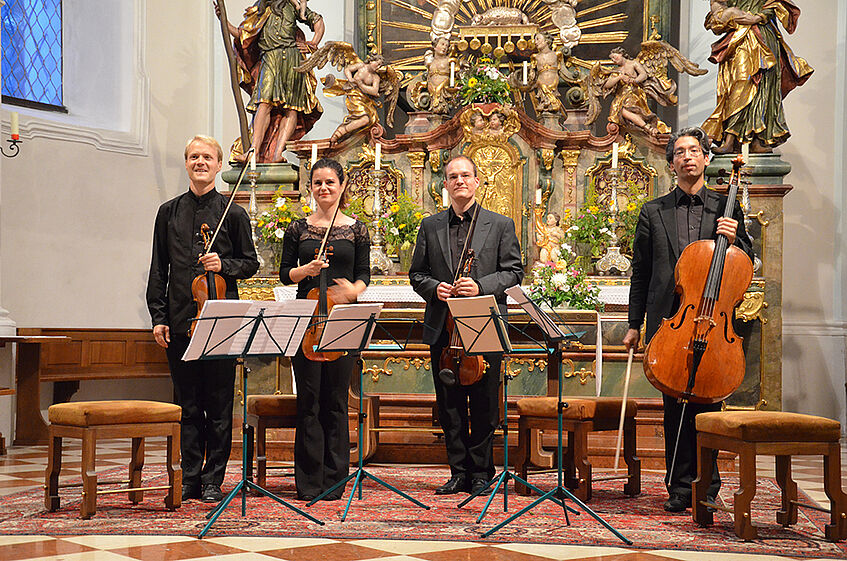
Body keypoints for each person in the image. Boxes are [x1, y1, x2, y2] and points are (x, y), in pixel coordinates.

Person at [623, 127, 753, 512]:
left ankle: (707, 487)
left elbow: (746, 261)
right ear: (671, 163)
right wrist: (634, 324)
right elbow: (641, 273)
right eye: (679, 152)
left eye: (694, 150)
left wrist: (737, 238)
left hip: (714, 323)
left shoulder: (724, 207)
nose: (687, 157)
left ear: (706, 159)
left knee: (708, 407)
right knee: (674, 406)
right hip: (671, 322)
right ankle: (679, 487)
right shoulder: (653, 211)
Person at [146, 135, 260, 503]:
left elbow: (251, 263)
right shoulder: (168, 212)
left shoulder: (233, 212)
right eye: (194, 156)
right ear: (186, 163)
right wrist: (158, 316)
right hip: (180, 320)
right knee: (188, 405)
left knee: (219, 406)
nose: (200, 162)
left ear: (218, 164)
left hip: (222, 323)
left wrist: (223, 264)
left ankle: (214, 479)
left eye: (207, 157)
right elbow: (158, 269)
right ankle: (190, 476)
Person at [409, 155, 524, 495]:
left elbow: (514, 271)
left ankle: (482, 473)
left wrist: (482, 286)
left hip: (483, 322)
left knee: (486, 404)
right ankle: (458, 471)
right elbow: (417, 274)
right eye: (452, 176)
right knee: (449, 403)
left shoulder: (500, 224)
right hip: (444, 328)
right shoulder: (431, 226)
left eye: (465, 175)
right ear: (444, 185)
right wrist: (435, 289)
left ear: (477, 181)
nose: (459, 181)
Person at [278, 158, 370, 501]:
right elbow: (284, 273)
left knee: (335, 401)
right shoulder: (298, 229)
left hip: (342, 319)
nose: (324, 188)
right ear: (311, 188)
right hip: (306, 321)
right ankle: (308, 481)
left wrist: (354, 291)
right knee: (309, 401)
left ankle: (334, 481)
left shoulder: (357, 229)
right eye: (317, 182)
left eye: (330, 182)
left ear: (342, 185)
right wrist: (306, 270)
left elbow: (364, 275)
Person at [217, 0, 325, 163]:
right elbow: (243, 34)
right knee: (264, 102)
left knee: (292, 108)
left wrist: (313, 43)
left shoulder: (292, 5)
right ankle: (253, 151)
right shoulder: (259, 9)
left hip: (292, 59)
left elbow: (318, 21)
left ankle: (277, 153)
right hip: (269, 59)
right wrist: (223, 20)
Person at [702, 0, 813, 154]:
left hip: (765, 35)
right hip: (739, 37)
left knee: (764, 88)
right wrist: (731, 15)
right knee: (739, 84)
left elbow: (776, 5)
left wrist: (759, 17)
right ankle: (730, 140)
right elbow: (718, 12)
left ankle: (758, 140)